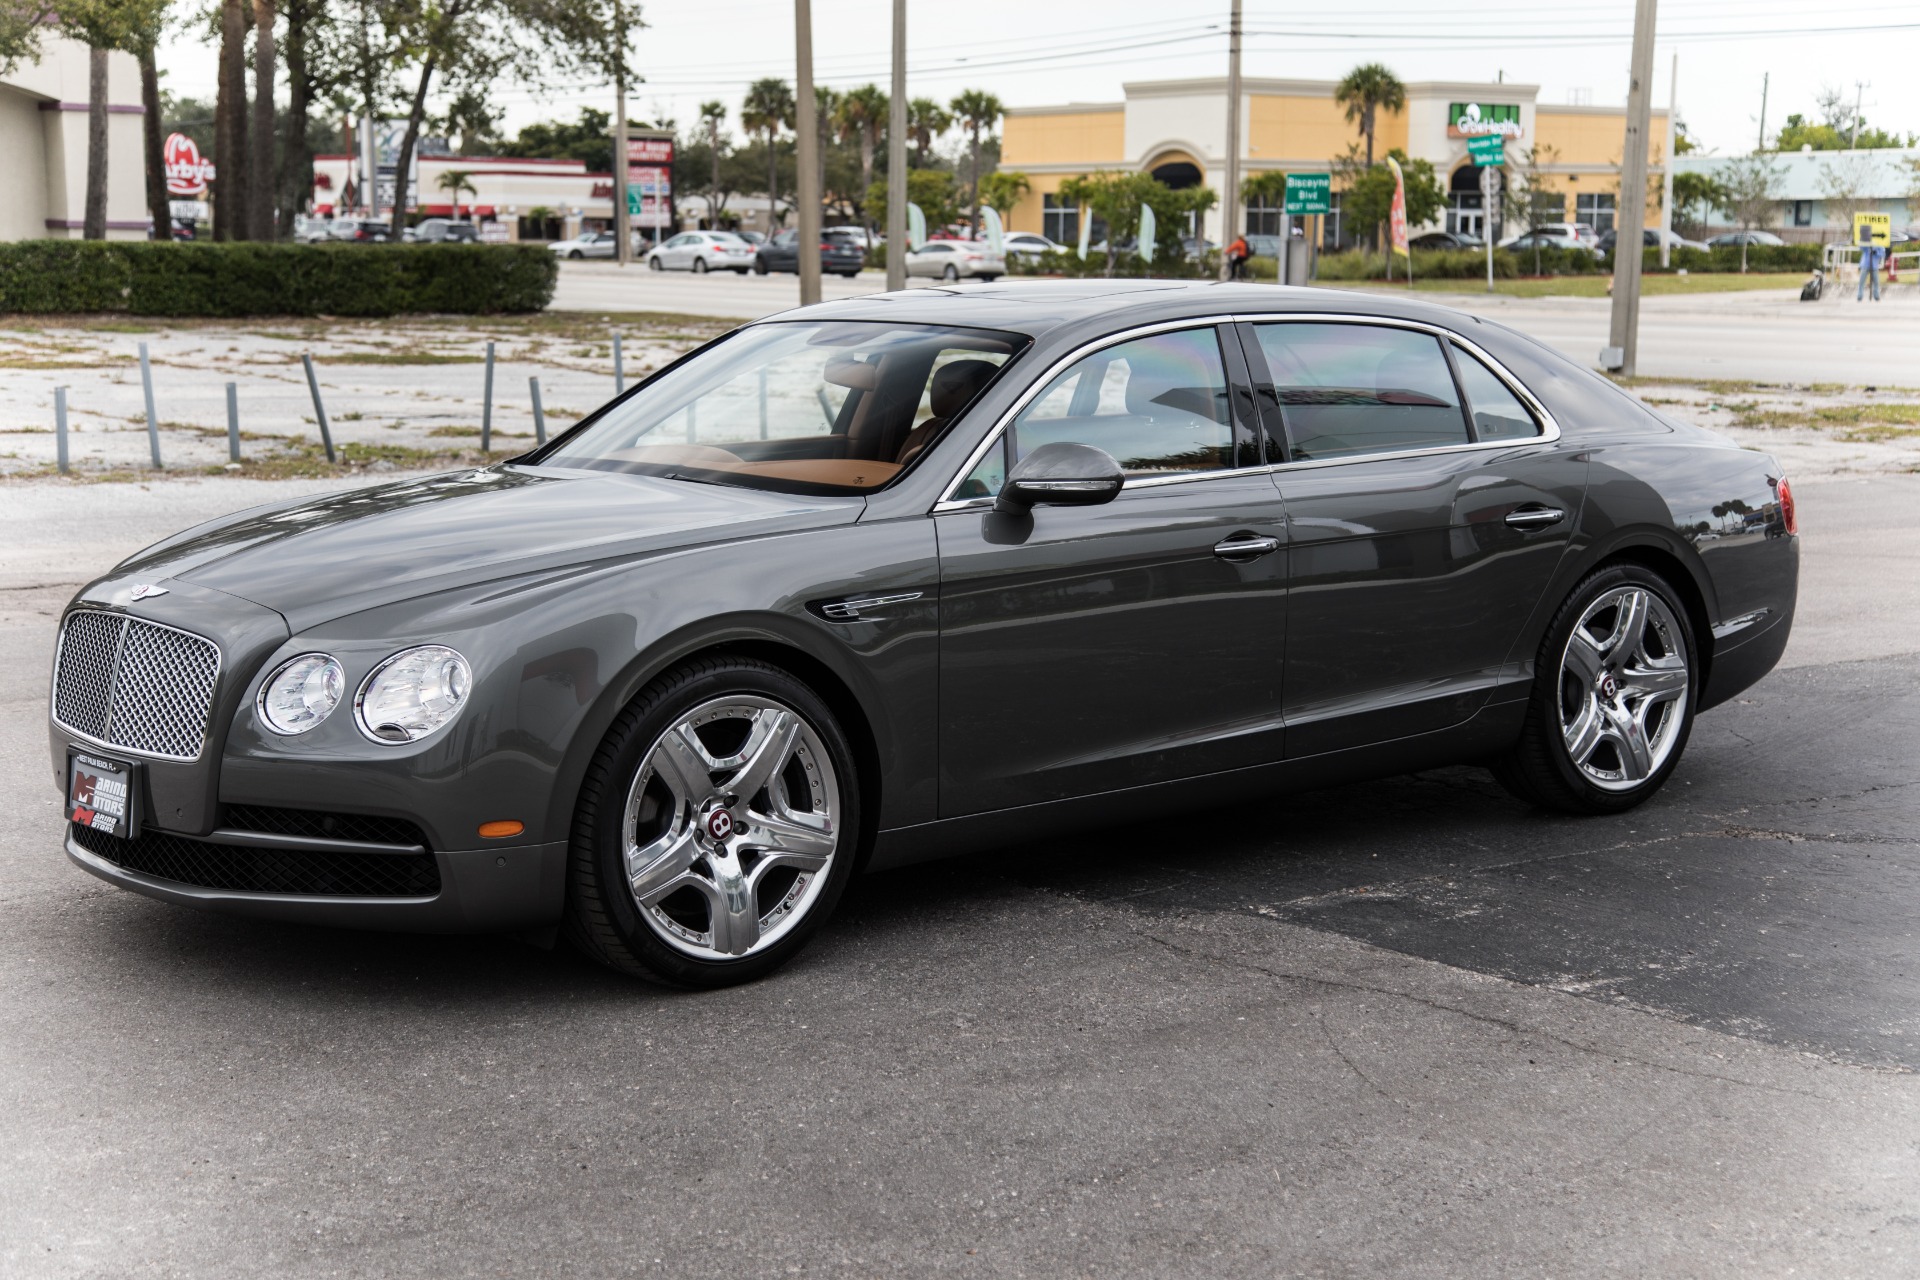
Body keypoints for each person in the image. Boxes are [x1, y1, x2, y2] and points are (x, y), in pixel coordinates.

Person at [1856, 224, 1883, 302]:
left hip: (1874, 265)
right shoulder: (1866, 241)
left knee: (1876, 282)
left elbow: (1882, 253)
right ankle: (1859, 296)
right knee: (1861, 282)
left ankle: (1876, 296)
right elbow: (1861, 248)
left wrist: (1876, 252)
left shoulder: (1879, 242)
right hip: (1865, 264)